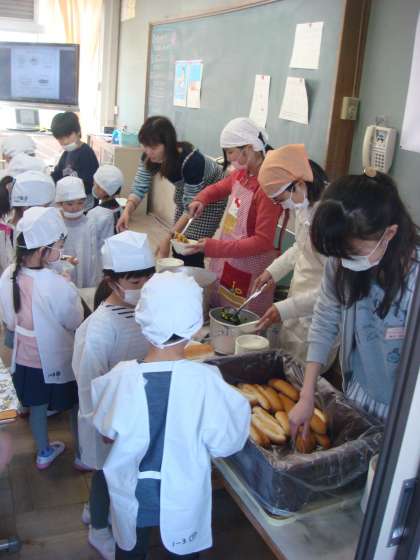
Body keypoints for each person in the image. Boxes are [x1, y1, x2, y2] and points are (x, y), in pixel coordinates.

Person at [90, 272, 250, 559]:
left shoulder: (119, 378)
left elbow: (105, 433)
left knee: (130, 549)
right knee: (183, 550)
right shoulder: (207, 382)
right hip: (184, 496)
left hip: (133, 492)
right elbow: (227, 444)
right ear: (195, 326)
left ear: (142, 321)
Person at [289, 168, 420, 438]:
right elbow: (325, 319)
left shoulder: (414, 281)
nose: (342, 261)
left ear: (389, 233)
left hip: (407, 413)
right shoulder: (342, 260)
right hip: (359, 392)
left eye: (352, 253)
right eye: (338, 255)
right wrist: (307, 392)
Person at [72, 231, 155, 560]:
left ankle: (95, 509)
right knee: (106, 474)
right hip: (108, 418)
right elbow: (88, 384)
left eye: (148, 279)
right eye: (135, 282)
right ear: (111, 281)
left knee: (116, 474)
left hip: (133, 411)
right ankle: (99, 530)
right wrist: (102, 423)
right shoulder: (100, 329)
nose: (142, 288)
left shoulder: (143, 310)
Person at [0, 207, 84, 469]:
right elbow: (74, 320)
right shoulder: (55, 284)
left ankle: (43, 452)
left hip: (24, 357)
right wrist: (68, 283)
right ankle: (83, 455)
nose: (61, 250)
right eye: (58, 245)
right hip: (55, 358)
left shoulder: (9, 274)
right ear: (42, 250)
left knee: (37, 406)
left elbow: (10, 321)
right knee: (73, 404)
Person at [188, 117, 282, 315]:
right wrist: (201, 199)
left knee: (241, 314)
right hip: (230, 255)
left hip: (252, 265)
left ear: (248, 148)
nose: (228, 158)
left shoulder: (267, 187)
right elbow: (221, 187)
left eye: (230, 152)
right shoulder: (243, 173)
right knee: (223, 302)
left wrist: (215, 247)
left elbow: (263, 241)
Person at [254, 144, 337, 368]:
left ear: (298, 183)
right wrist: (272, 271)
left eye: (280, 199)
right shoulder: (303, 204)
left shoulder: (332, 218)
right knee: (288, 362)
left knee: (307, 370)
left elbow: (336, 289)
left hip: (320, 308)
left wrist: (286, 308)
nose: (281, 206)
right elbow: (300, 247)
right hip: (299, 295)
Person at [116, 115, 226, 268]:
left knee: (190, 246)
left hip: (212, 195)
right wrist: (127, 211)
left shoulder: (193, 161)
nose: (148, 152)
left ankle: (192, 278)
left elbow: (190, 209)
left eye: (153, 147)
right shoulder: (149, 156)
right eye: (145, 146)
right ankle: (178, 271)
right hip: (188, 194)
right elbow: (140, 185)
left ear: (167, 144)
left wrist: (167, 238)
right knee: (178, 242)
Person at [0, 172, 56, 367]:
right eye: (46, 207)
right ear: (28, 207)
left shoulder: (20, 227)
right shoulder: (9, 232)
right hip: (20, 311)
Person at [55, 176, 103, 288]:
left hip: (84, 273)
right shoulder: (56, 224)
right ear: (60, 203)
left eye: (80, 203)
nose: (75, 207)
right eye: (70, 204)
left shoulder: (89, 224)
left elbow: (94, 258)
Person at [50, 112, 99, 210]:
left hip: (84, 205)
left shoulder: (86, 153)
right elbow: (57, 174)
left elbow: (89, 185)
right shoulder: (66, 153)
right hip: (69, 202)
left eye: (68, 137)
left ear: (78, 132)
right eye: (60, 139)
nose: (65, 142)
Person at [88, 164, 124, 243]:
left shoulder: (94, 214)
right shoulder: (120, 209)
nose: (93, 186)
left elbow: (90, 241)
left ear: (102, 190)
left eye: (94, 184)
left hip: (101, 251)